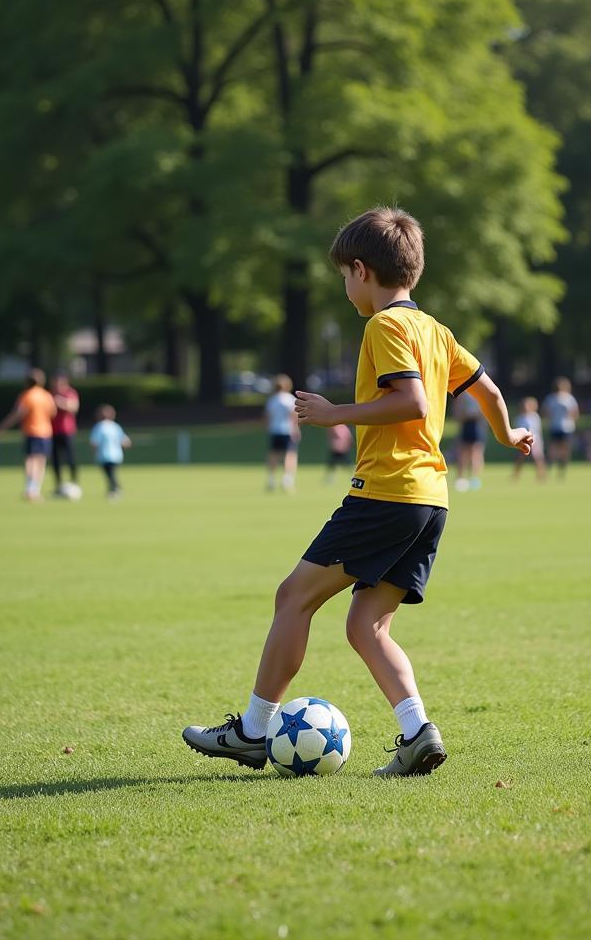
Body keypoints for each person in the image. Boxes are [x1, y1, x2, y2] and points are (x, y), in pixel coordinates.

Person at [182, 207, 533, 777]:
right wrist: (507, 432)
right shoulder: (435, 331)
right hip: (430, 501)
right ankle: (418, 732)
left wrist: (332, 414)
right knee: (365, 624)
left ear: (363, 271)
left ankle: (252, 731)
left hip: (387, 494)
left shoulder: (385, 326)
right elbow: (487, 390)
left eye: (345, 276)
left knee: (293, 596)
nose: (345, 288)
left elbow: (413, 402)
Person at [0, 369, 58, 501]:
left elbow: (17, 414)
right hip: (45, 431)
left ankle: (30, 489)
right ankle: (35, 490)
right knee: (41, 462)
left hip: (31, 431)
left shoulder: (26, 395)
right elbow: (53, 412)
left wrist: (2, 427)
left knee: (31, 460)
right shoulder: (46, 395)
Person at [264, 374, 300, 492]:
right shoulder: (290, 399)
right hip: (287, 430)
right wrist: (296, 429)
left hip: (275, 430)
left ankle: (271, 478)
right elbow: (293, 416)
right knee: (290, 455)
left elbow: (267, 417)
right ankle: (287, 479)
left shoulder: (272, 400)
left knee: (273, 455)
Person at [89, 404, 131, 499]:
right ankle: (113, 489)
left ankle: (114, 489)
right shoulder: (115, 426)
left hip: (105, 455)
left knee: (110, 473)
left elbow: (94, 442)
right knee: (111, 473)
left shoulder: (99, 427)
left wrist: (94, 452)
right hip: (116, 455)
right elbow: (126, 441)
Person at [542, 377, 579, 477]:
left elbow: (546, 413)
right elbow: (575, 413)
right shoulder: (567, 398)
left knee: (558, 449)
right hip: (563, 427)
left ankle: (558, 467)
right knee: (559, 449)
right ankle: (558, 467)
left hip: (561, 426)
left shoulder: (553, 398)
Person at [50, 372, 80, 496]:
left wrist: (60, 402)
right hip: (52, 431)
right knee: (55, 460)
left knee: (70, 457)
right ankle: (58, 484)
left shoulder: (70, 393)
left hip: (67, 431)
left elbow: (74, 407)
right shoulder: (50, 394)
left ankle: (74, 481)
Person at [453, 390, 486, 491]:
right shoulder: (463, 392)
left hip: (477, 425)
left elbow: (483, 410)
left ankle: (474, 479)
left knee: (476, 452)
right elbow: (457, 409)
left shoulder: (480, 390)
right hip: (466, 424)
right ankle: (460, 478)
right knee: (462, 451)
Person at [512, 397, 546, 482]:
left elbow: (535, 430)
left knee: (537, 458)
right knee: (520, 459)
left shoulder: (535, 417)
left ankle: (541, 475)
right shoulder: (519, 418)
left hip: (534, 441)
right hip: (522, 442)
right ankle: (516, 474)